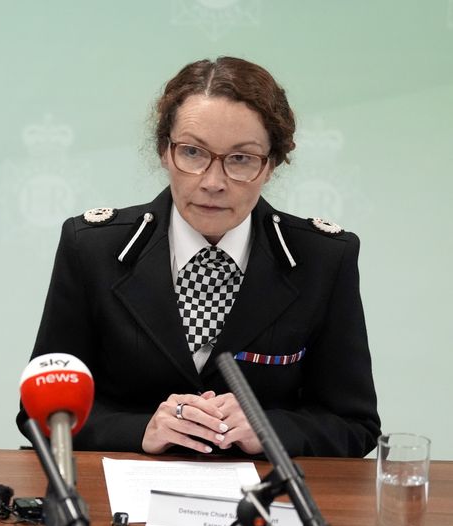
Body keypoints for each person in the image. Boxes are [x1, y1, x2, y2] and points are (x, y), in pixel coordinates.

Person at [23, 56, 378, 458]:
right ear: (164, 151)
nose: (213, 182)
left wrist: (272, 428)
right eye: (192, 152)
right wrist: (140, 430)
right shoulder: (91, 248)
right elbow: (40, 414)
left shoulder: (324, 258)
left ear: (272, 165)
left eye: (241, 159)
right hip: (122, 490)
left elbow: (355, 425)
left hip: (265, 489)